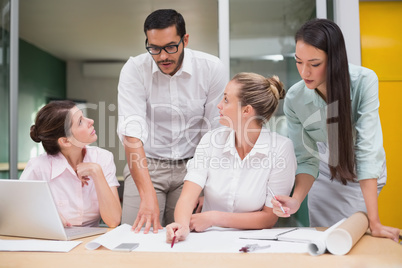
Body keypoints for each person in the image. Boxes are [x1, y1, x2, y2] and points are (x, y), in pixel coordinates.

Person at [272, 18, 400, 242]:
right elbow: (305, 158)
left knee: (355, 237)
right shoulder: (295, 97)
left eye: (314, 63)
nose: (305, 72)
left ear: (334, 60)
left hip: (362, 171)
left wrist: (375, 221)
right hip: (324, 171)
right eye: (298, 62)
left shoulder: (363, 81)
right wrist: (296, 199)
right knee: (325, 240)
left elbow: (367, 149)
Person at [117, 9, 227, 233]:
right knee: (136, 235)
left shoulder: (211, 68)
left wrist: (208, 185)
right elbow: (132, 135)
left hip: (193, 166)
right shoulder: (134, 70)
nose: (163, 56)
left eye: (170, 47)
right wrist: (147, 199)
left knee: (189, 238)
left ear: (185, 40)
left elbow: (215, 131)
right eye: (154, 48)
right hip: (147, 164)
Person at [165, 72, 296, 244]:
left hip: (255, 243)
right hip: (208, 240)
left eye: (226, 100)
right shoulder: (211, 141)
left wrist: (213, 218)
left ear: (246, 110)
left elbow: (268, 218)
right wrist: (182, 225)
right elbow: (187, 198)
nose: (219, 105)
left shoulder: (280, 149)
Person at [20, 100, 121, 228]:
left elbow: (113, 220)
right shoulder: (38, 167)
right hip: (52, 239)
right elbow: (18, 211)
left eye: (83, 116)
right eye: (80, 121)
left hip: (90, 241)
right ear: (65, 141)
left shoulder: (102, 158)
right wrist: (49, 216)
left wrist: (96, 171)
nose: (90, 121)